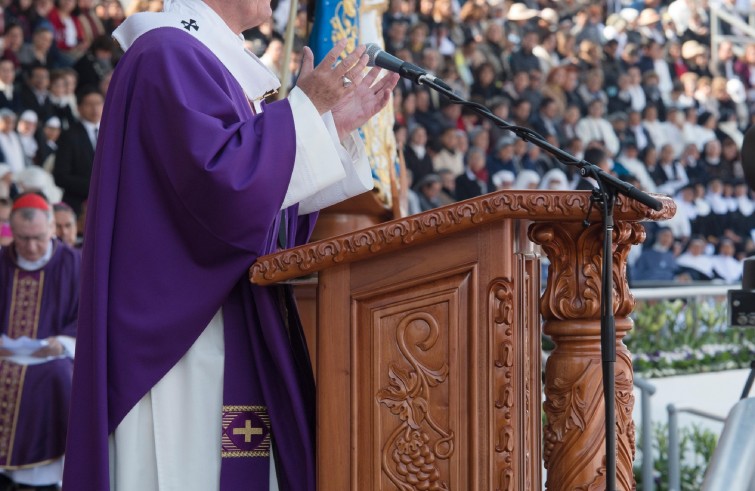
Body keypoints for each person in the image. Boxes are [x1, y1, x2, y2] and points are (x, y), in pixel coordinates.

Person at [61, 0, 399, 488]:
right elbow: (217, 189)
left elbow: (254, 208)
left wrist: (328, 126)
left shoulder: (198, 57)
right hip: (179, 337)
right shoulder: (167, 53)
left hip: (213, 312)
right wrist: (304, 112)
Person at [0, 193, 79, 491]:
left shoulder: (74, 264)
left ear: (51, 230)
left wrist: (61, 343)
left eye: (37, 238)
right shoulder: (1, 262)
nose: (31, 247)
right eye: (21, 239)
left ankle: (45, 478)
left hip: (54, 358)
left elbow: (87, 315)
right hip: (4, 356)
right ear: (11, 232)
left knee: (57, 377)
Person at [51, 87, 103, 216]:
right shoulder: (69, 136)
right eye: (89, 104)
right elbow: (60, 176)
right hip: (77, 206)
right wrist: (95, 186)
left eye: (98, 103)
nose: (95, 109)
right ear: (79, 108)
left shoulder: (113, 133)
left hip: (106, 202)